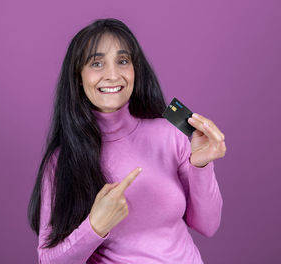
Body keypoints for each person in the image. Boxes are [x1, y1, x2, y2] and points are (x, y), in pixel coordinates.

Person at [27, 18, 226, 264]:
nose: (112, 75)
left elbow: (208, 226)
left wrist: (201, 166)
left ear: (135, 70)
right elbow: (48, 260)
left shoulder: (171, 134)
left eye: (122, 61)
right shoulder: (62, 162)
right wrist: (95, 227)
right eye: (97, 63)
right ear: (78, 77)